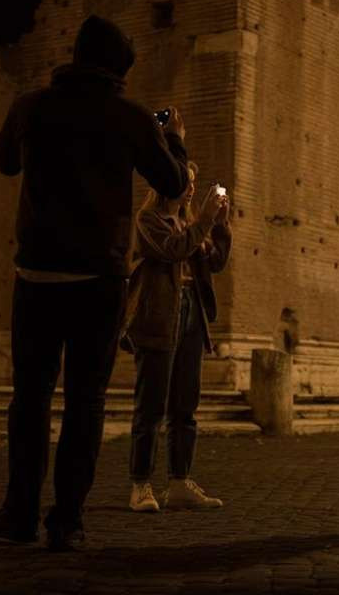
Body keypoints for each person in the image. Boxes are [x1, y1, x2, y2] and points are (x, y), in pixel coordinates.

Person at [0, 15, 191, 552]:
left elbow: (4, 162)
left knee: (29, 399)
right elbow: (169, 182)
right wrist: (171, 140)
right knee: (84, 402)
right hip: (99, 280)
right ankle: (67, 522)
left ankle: (19, 512)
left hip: (36, 275)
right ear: (120, 69)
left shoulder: (32, 104)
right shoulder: (130, 116)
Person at [124, 162, 231, 512]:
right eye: (186, 181)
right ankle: (140, 484)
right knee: (151, 406)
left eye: (195, 182)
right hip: (159, 315)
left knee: (185, 404)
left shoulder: (189, 223)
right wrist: (203, 220)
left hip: (191, 314)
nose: (191, 188)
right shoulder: (148, 221)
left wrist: (220, 225)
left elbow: (213, 262)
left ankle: (179, 481)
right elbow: (173, 250)